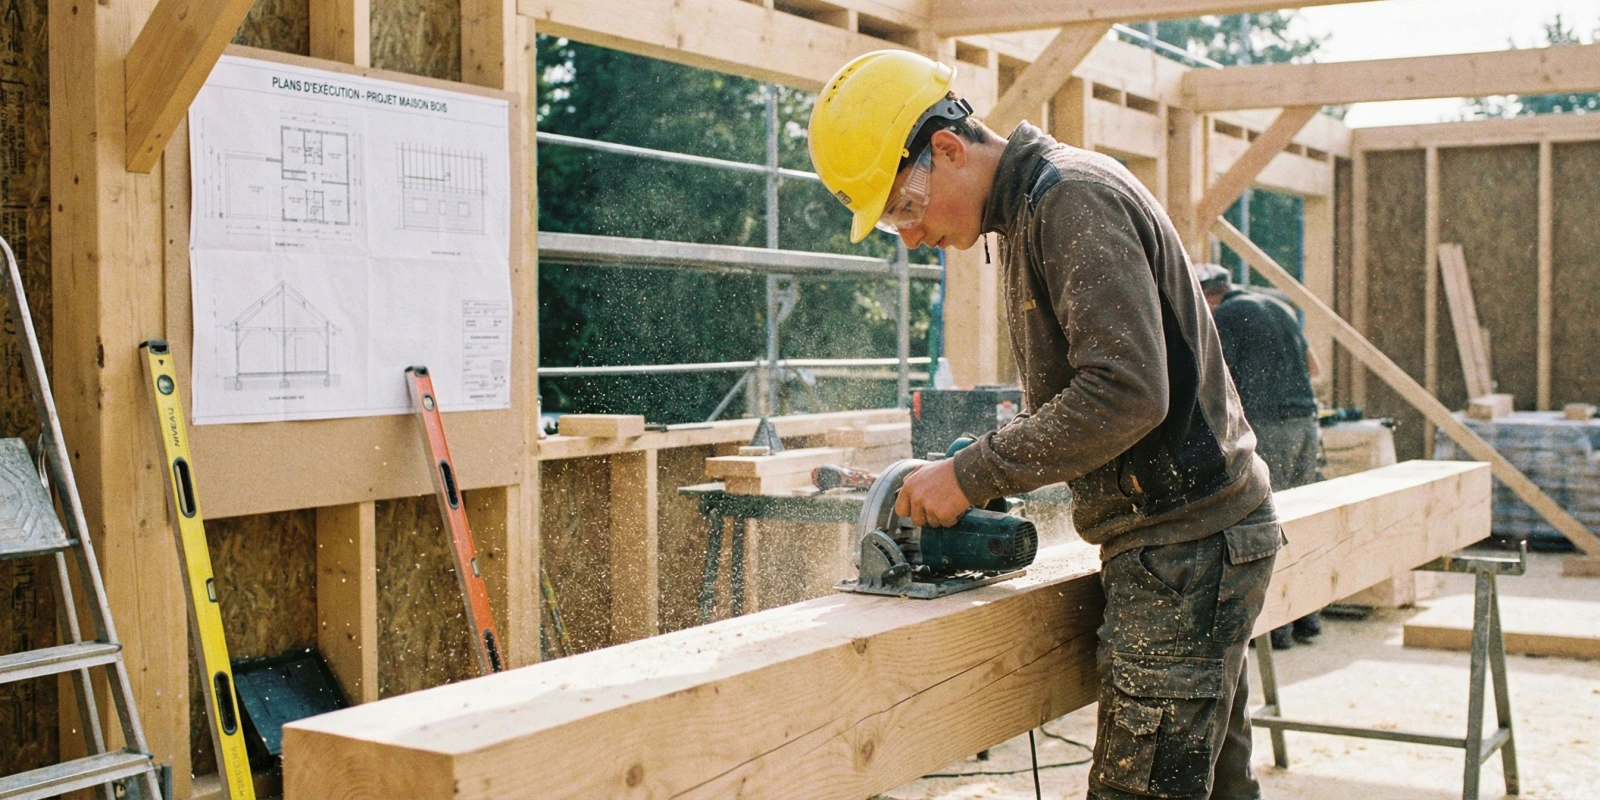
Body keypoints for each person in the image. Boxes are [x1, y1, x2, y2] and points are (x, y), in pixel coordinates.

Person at [809, 51, 1281, 799]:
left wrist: (976, 473)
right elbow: (1096, 393)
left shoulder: (1069, 202)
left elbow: (1127, 392)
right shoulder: (1036, 205)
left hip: (1185, 545)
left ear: (948, 150)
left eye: (903, 207)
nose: (907, 234)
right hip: (1192, 539)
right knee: (1214, 787)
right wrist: (984, 458)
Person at [1200, 264, 1324, 650]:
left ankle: (1277, 630)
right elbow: (1315, 368)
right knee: (1301, 518)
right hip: (1306, 423)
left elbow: (1215, 380)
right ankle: (1309, 620)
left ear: (1208, 296)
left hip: (1270, 426)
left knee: (1269, 527)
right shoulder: (1279, 306)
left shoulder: (1223, 317)